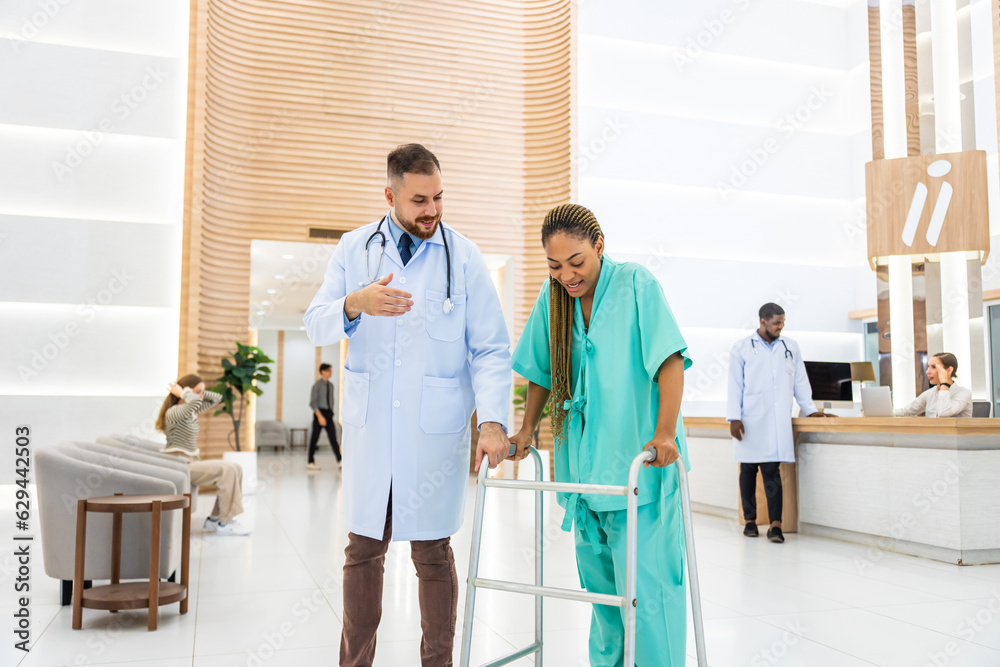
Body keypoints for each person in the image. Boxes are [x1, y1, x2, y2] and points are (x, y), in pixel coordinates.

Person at [303, 143, 512, 667]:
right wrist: (356, 303)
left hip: (433, 434)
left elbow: (490, 347)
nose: (432, 210)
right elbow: (315, 322)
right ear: (390, 194)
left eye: (438, 197)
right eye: (420, 199)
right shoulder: (355, 249)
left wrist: (491, 421)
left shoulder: (462, 256)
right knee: (363, 550)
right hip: (375, 430)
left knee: (433, 555)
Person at [510, 203, 691, 666]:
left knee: (647, 600)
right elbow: (540, 371)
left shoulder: (636, 284)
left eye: (577, 263)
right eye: (555, 266)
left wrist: (665, 433)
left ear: (599, 247)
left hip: (641, 470)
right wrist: (527, 429)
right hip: (586, 479)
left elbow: (669, 359)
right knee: (606, 603)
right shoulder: (553, 301)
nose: (567, 275)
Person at [727, 303, 834, 544]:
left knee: (772, 471)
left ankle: (776, 525)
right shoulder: (742, 348)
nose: (780, 326)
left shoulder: (790, 347)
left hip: (776, 421)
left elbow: (800, 381)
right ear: (763, 321)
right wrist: (733, 416)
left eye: (783, 322)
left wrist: (811, 410)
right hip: (749, 419)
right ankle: (751, 521)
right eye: (776, 322)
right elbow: (734, 384)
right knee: (747, 471)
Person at [156, 374, 250, 536]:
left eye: (202, 392)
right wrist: (184, 392)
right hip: (181, 464)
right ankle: (225, 522)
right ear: (185, 392)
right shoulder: (174, 412)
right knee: (226, 470)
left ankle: (214, 520)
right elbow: (197, 401)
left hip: (192, 461)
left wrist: (195, 392)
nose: (201, 396)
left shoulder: (190, 409)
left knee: (236, 467)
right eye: (198, 391)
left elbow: (217, 398)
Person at [896, 352, 972, 417]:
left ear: (949, 370)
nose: (927, 372)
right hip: (931, 434)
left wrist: (944, 383)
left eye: (934, 367)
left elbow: (943, 414)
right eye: (928, 367)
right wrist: (885, 412)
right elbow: (906, 411)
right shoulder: (930, 393)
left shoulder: (964, 393)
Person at [307, 362, 342, 471]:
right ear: (323, 371)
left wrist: (331, 412)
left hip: (328, 414)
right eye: (329, 370)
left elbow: (331, 400)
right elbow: (313, 402)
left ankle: (340, 461)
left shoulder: (331, 385)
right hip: (319, 413)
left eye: (331, 370)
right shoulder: (317, 385)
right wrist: (320, 416)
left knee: (333, 438)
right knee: (314, 439)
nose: (331, 372)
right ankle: (310, 462)